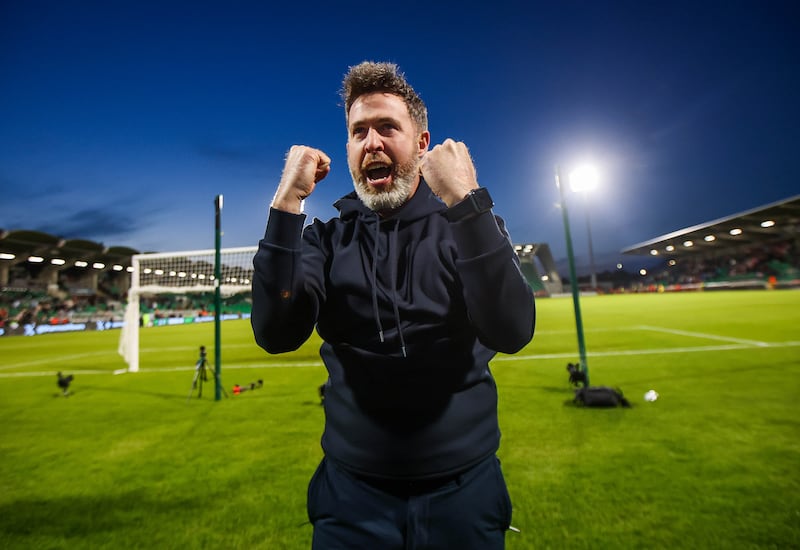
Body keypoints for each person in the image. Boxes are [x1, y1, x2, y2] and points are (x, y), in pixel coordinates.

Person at [251, 61, 535, 549]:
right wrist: (286, 203)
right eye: (358, 132)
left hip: (463, 491)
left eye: (388, 127)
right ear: (347, 149)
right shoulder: (327, 240)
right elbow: (276, 334)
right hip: (351, 498)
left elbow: (512, 331)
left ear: (422, 144)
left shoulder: (464, 226)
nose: (372, 143)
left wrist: (467, 201)